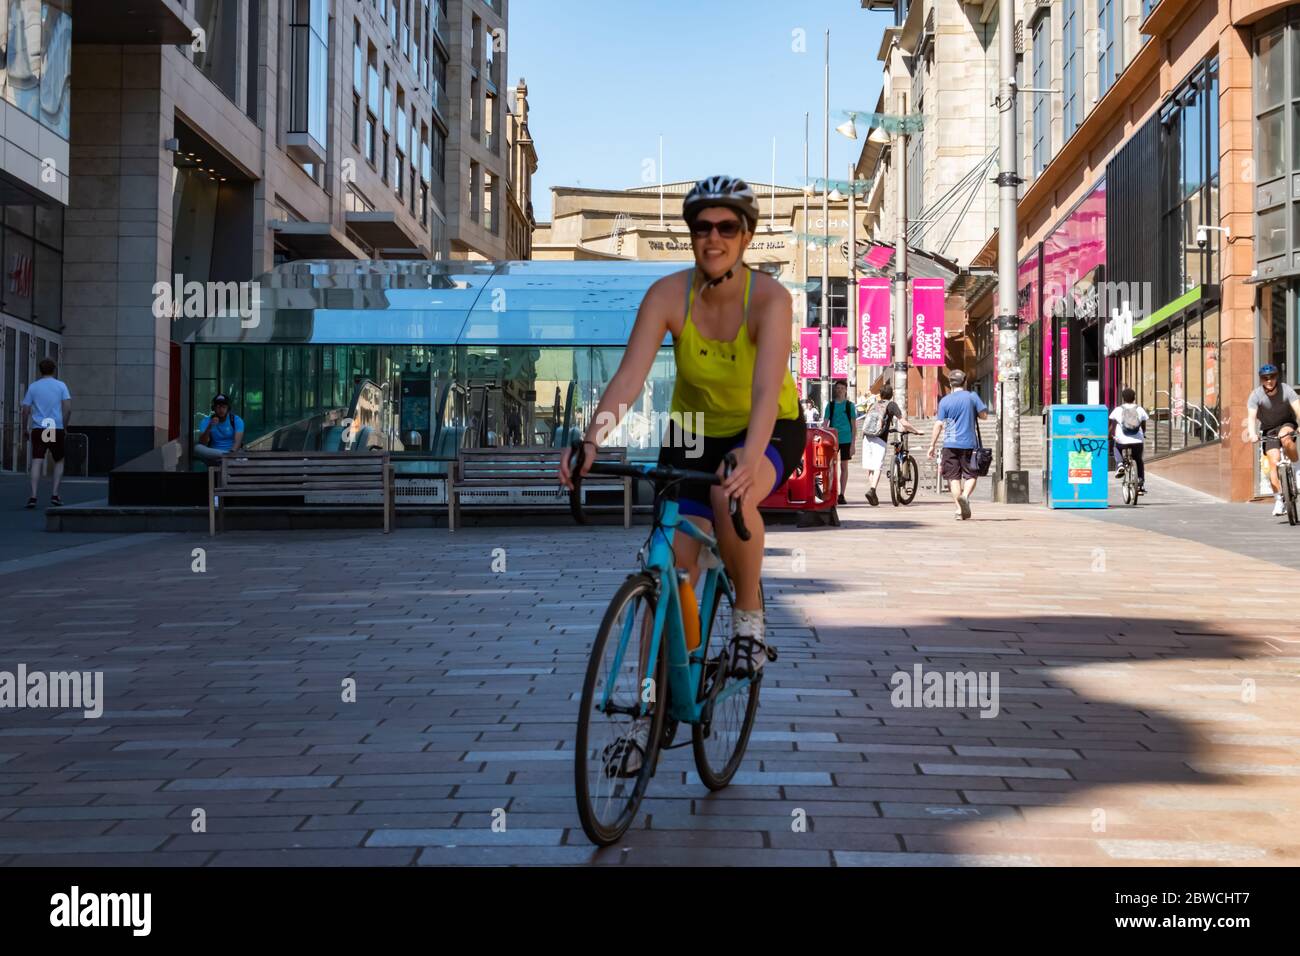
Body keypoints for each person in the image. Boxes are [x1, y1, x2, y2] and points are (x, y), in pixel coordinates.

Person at [560, 175, 805, 774]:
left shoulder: (769, 299)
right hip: (693, 429)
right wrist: (592, 440)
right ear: (691, 235)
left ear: (745, 235)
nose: (713, 237)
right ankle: (651, 716)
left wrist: (750, 458)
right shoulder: (668, 294)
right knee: (667, 565)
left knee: (731, 493)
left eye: (726, 227)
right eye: (702, 227)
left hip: (768, 425)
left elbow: (766, 389)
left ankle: (748, 618)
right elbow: (629, 379)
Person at [926, 369, 988, 520]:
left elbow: (939, 424)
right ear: (965, 382)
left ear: (950, 383)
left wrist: (932, 445)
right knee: (972, 474)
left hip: (950, 443)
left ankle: (960, 510)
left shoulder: (945, 401)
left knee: (953, 478)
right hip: (969, 444)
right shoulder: (972, 397)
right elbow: (984, 416)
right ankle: (965, 496)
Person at [1246, 364, 1300, 517]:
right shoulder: (1256, 395)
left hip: (1287, 423)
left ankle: (1297, 469)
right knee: (1273, 462)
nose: (1269, 380)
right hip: (1269, 429)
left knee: (1286, 438)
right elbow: (1251, 418)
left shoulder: (1286, 389)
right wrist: (1252, 434)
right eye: (1265, 378)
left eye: (1272, 377)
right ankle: (1279, 500)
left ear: (1277, 377)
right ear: (1261, 379)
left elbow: (1298, 409)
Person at [20, 357, 72, 509]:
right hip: (55, 427)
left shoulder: (34, 387)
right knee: (59, 460)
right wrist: (64, 425)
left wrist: (24, 428)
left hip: (40, 427)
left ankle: (33, 495)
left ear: (40, 370)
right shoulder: (61, 386)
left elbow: (25, 410)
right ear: (54, 370)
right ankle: (55, 493)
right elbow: (68, 408)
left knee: (37, 460)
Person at [860, 382, 920, 506]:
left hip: (866, 437)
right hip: (879, 437)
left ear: (880, 395)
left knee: (870, 466)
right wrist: (916, 431)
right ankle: (872, 490)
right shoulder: (891, 405)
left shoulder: (873, 404)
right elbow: (903, 422)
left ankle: (872, 490)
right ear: (891, 395)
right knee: (878, 466)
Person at [1109, 387, 1149, 495]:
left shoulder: (1118, 409)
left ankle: (1120, 464)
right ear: (1134, 398)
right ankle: (1140, 484)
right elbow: (1143, 425)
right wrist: (1143, 434)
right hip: (1137, 441)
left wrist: (1110, 435)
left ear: (1123, 398)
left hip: (1122, 440)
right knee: (1138, 460)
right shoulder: (1139, 409)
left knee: (1115, 447)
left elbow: (1112, 425)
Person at [822, 381, 856, 504]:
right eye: (838, 388)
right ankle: (830, 492)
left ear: (846, 390)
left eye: (842, 388)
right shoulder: (830, 406)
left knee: (844, 466)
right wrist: (822, 435)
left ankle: (842, 494)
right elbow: (825, 423)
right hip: (832, 439)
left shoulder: (850, 406)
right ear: (835, 390)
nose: (840, 390)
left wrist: (853, 444)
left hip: (846, 439)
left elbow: (854, 426)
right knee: (830, 466)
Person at [195, 394, 245, 465]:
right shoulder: (206, 421)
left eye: (224, 407)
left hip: (232, 454)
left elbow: (237, 443)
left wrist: (231, 453)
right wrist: (210, 426)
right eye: (218, 407)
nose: (221, 410)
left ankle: (227, 458)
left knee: (238, 453)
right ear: (213, 408)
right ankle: (227, 458)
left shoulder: (236, 420)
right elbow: (203, 443)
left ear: (228, 408)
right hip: (214, 455)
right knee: (197, 448)